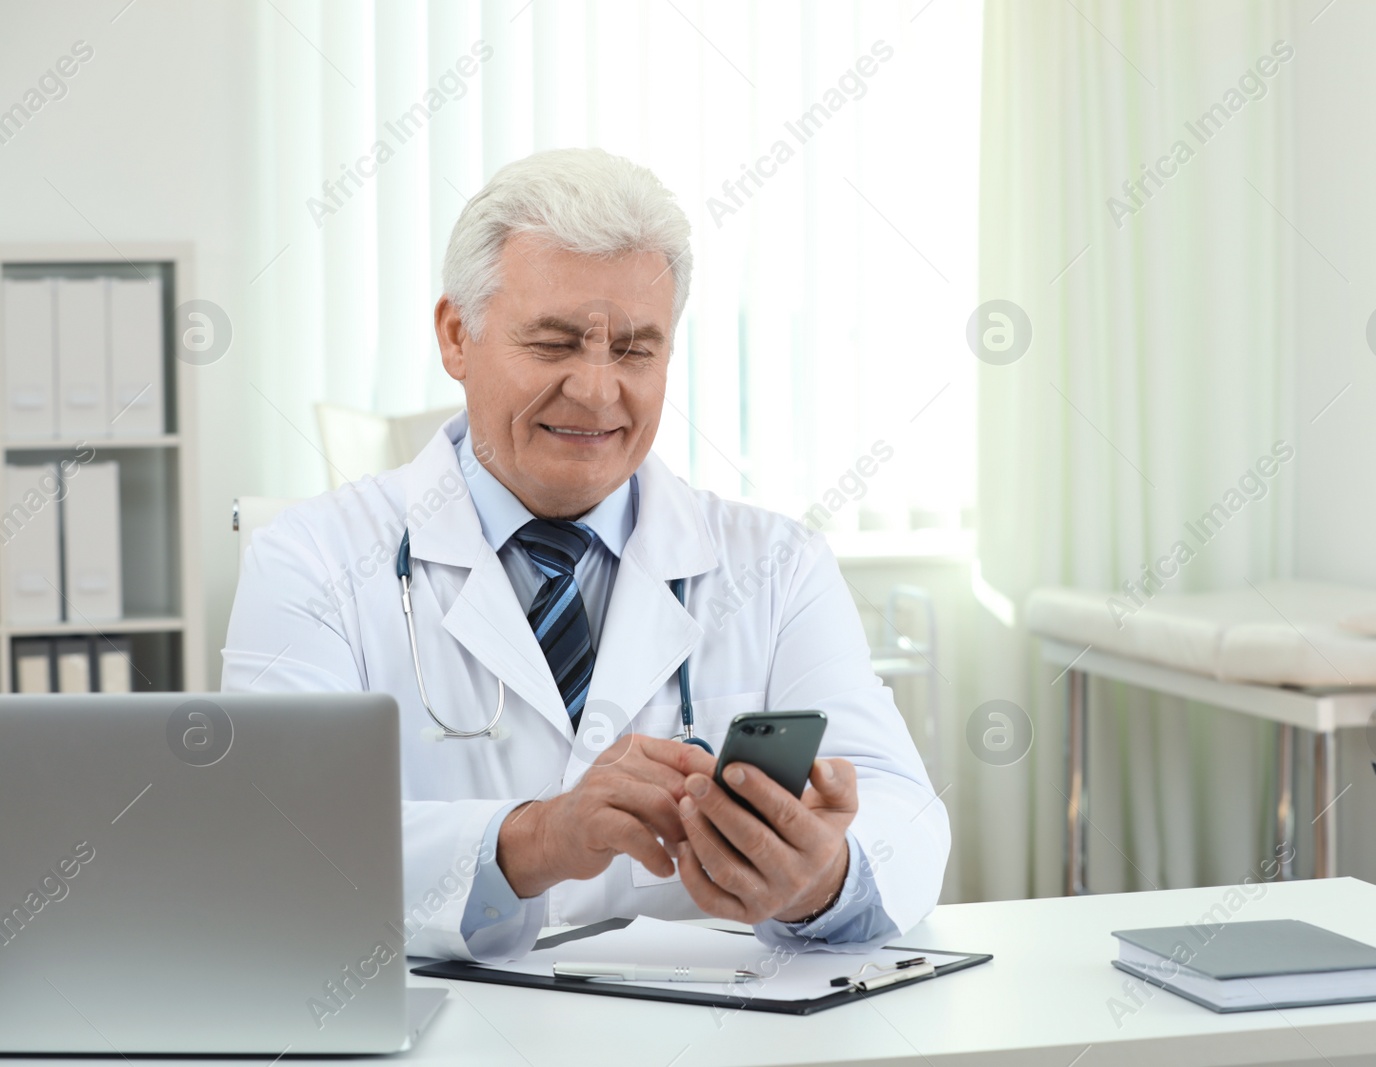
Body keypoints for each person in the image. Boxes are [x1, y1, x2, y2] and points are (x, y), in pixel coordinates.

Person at [223, 147, 949, 962]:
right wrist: (535, 838)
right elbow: (271, 846)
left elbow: (904, 813)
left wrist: (824, 874)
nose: (598, 391)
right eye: (555, 343)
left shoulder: (778, 566)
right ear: (457, 336)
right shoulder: (312, 560)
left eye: (636, 349)